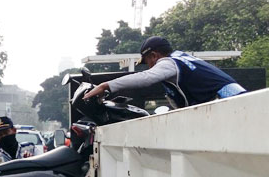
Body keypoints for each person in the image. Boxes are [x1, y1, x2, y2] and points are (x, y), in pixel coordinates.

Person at [83, 36, 247, 108]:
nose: (148, 66)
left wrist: (106, 86)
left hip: (228, 102)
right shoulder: (182, 57)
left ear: (154, 55)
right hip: (236, 97)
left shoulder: (168, 62)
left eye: (147, 61)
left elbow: (146, 78)